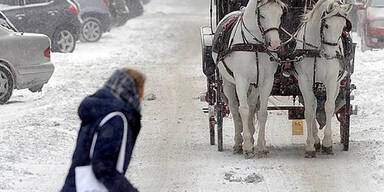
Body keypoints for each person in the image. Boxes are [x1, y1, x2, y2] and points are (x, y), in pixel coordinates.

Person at [61, 68, 146, 192]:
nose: (142, 98)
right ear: (134, 89)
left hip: (75, 186)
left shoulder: (100, 111)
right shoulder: (115, 118)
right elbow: (102, 165)